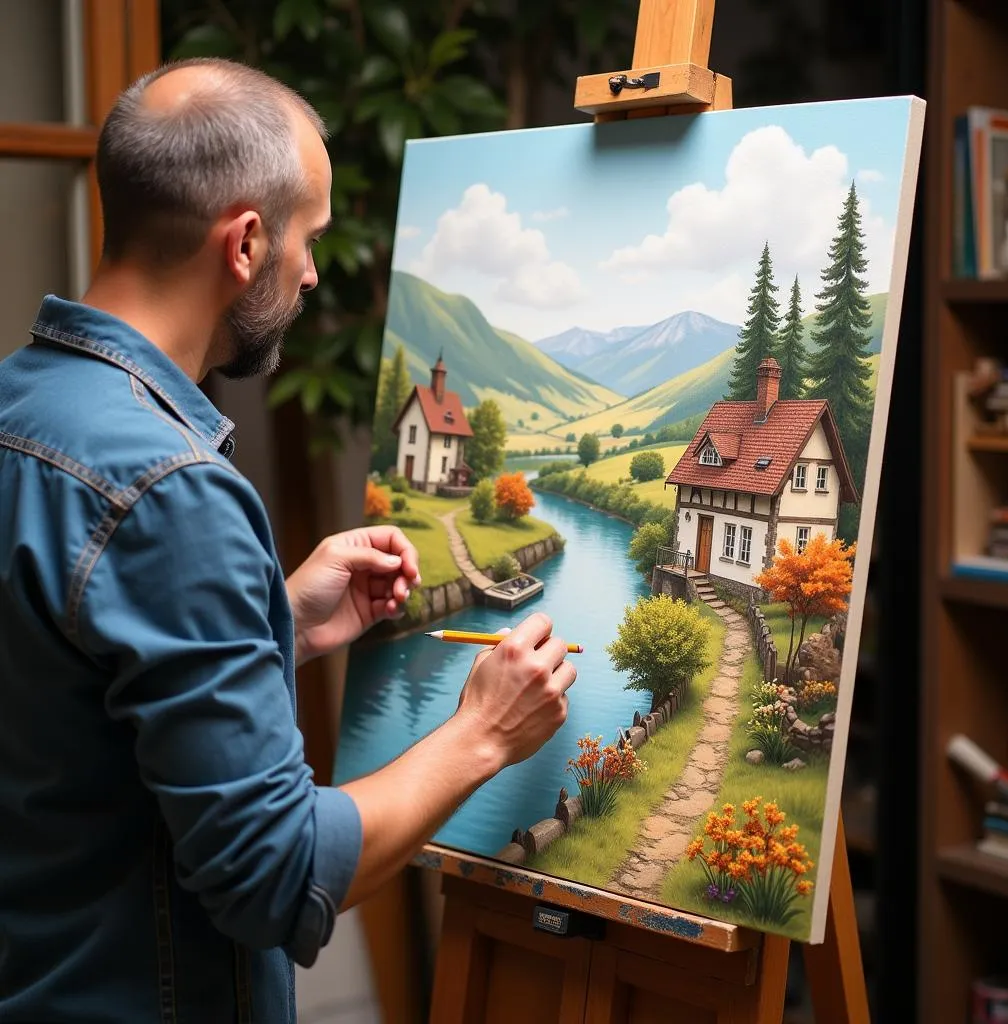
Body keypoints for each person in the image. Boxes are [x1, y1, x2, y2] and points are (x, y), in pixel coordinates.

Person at [0, 57, 576, 1023]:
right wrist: (481, 735)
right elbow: (278, 873)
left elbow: (74, 707)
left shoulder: (23, 407)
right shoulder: (172, 491)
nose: (310, 272)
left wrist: (281, 616)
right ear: (246, 242)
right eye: (308, 240)